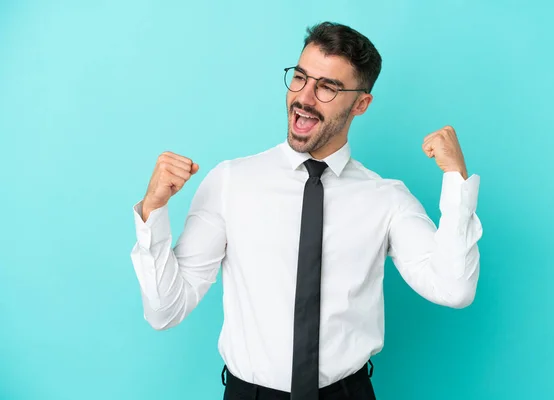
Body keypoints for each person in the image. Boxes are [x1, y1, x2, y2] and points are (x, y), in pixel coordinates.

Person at [130, 21, 483, 400]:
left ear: (361, 104)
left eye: (327, 87)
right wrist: (154, 210)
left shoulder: (386, 198)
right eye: (300, 77)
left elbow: (454, 287)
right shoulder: (230, 182)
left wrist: (456, 181)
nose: (305, 97)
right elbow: (165, 310)